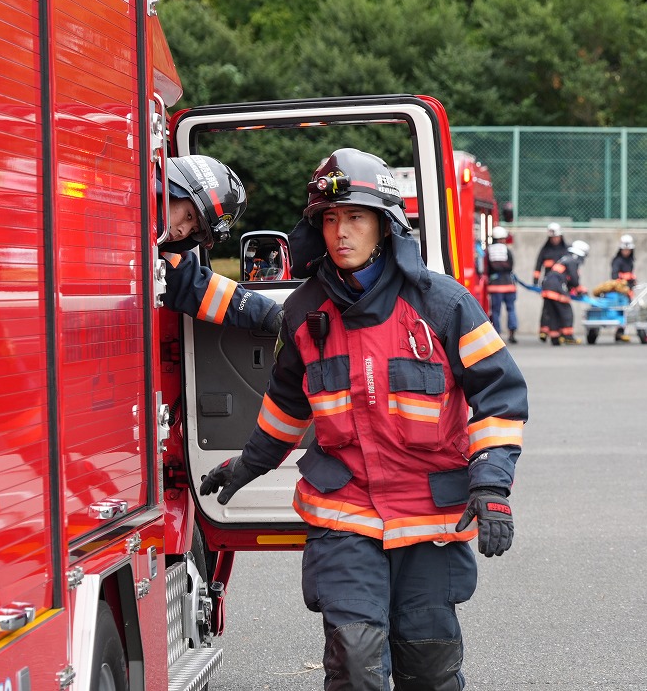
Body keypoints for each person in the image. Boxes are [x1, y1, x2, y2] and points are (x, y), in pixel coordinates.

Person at [198, 147, 529, 691]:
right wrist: (248, 466)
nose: (340, 232)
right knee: (354, 658)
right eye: (329, 219)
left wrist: (492, 487)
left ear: (385, 225)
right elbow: (288, 401)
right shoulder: (306, 312)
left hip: (429, 517)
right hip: (344, 512)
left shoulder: (442, 304)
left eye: (354, 217)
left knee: (428, 666)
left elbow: (500, 396)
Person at [160, 155, 283, 335]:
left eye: (193, 229)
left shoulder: (162, 257)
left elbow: (199, 289)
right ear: (170, 188)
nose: (183, 232)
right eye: (188, 215)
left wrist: (270, 315)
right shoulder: (115, 202)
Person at [540, 240, 589, 346]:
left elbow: (566, 279)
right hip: (556, 288)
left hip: (547, 287)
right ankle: (568, 337)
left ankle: (555, 338)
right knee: (566, 312)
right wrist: (579, 289)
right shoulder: (572, 261)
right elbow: (574, 278)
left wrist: (573, 289)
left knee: (554, 315)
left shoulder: (564, 259)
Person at [533, 223, 567, 341]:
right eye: (552, 238)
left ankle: (560, 331)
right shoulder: (545, 250)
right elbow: (538, 265)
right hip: (548, 283)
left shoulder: (565, 250)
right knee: (547, 308)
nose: (555, 240)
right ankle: (543, 331)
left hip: (560, 284)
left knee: (560, 308)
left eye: (556, 237)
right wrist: (535, 280)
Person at [486, 226, 519, 344]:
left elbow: (487, 268)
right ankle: (512, 333)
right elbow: (511, 265)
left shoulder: (488, 250)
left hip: (495, 286)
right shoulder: (507, 250)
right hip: (509, 285)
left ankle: (497, 335)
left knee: (496, 311)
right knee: (511, 309)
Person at [610, 234, 637, 342]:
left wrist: (632, 280)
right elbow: (614, 276)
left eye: (628, 249)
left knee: (626, 311)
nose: (626, 252)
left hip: (628, 290)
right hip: (620, 290)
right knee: (622, 310)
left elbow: (630, 274)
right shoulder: (617, 261)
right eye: (624, 249)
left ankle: (620, 333)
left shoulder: (630, 261)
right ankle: (620, 332)